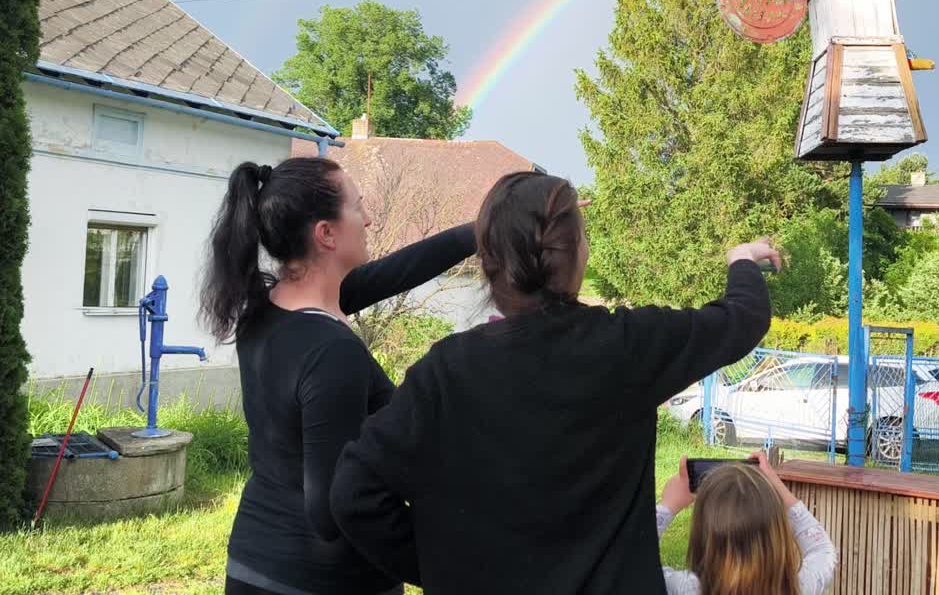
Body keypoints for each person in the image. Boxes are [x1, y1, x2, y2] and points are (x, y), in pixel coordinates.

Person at [329, 171, 780, 594]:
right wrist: (741, 260)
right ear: (579, 252)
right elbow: (742, 318)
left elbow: (354, 494)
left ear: (487, 263)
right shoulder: (627, 346)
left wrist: (441, 567)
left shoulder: (444, 372)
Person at [199, 157, 476, 595]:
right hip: (325, 581)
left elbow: (397, 271)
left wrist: (480, 231)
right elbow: (331, 510)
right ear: (325, 234)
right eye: (358, 207)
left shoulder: (269, 306)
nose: (369, 219)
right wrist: (445, 559)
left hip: (256, 563)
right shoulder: (331, 351)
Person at [655, 453, 837, 595]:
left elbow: (631, 561)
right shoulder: (798, 588)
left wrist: (668, 506)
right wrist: (779, 489)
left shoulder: (685, 589)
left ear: (702, 538)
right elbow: (822, 549)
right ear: (776, 534)